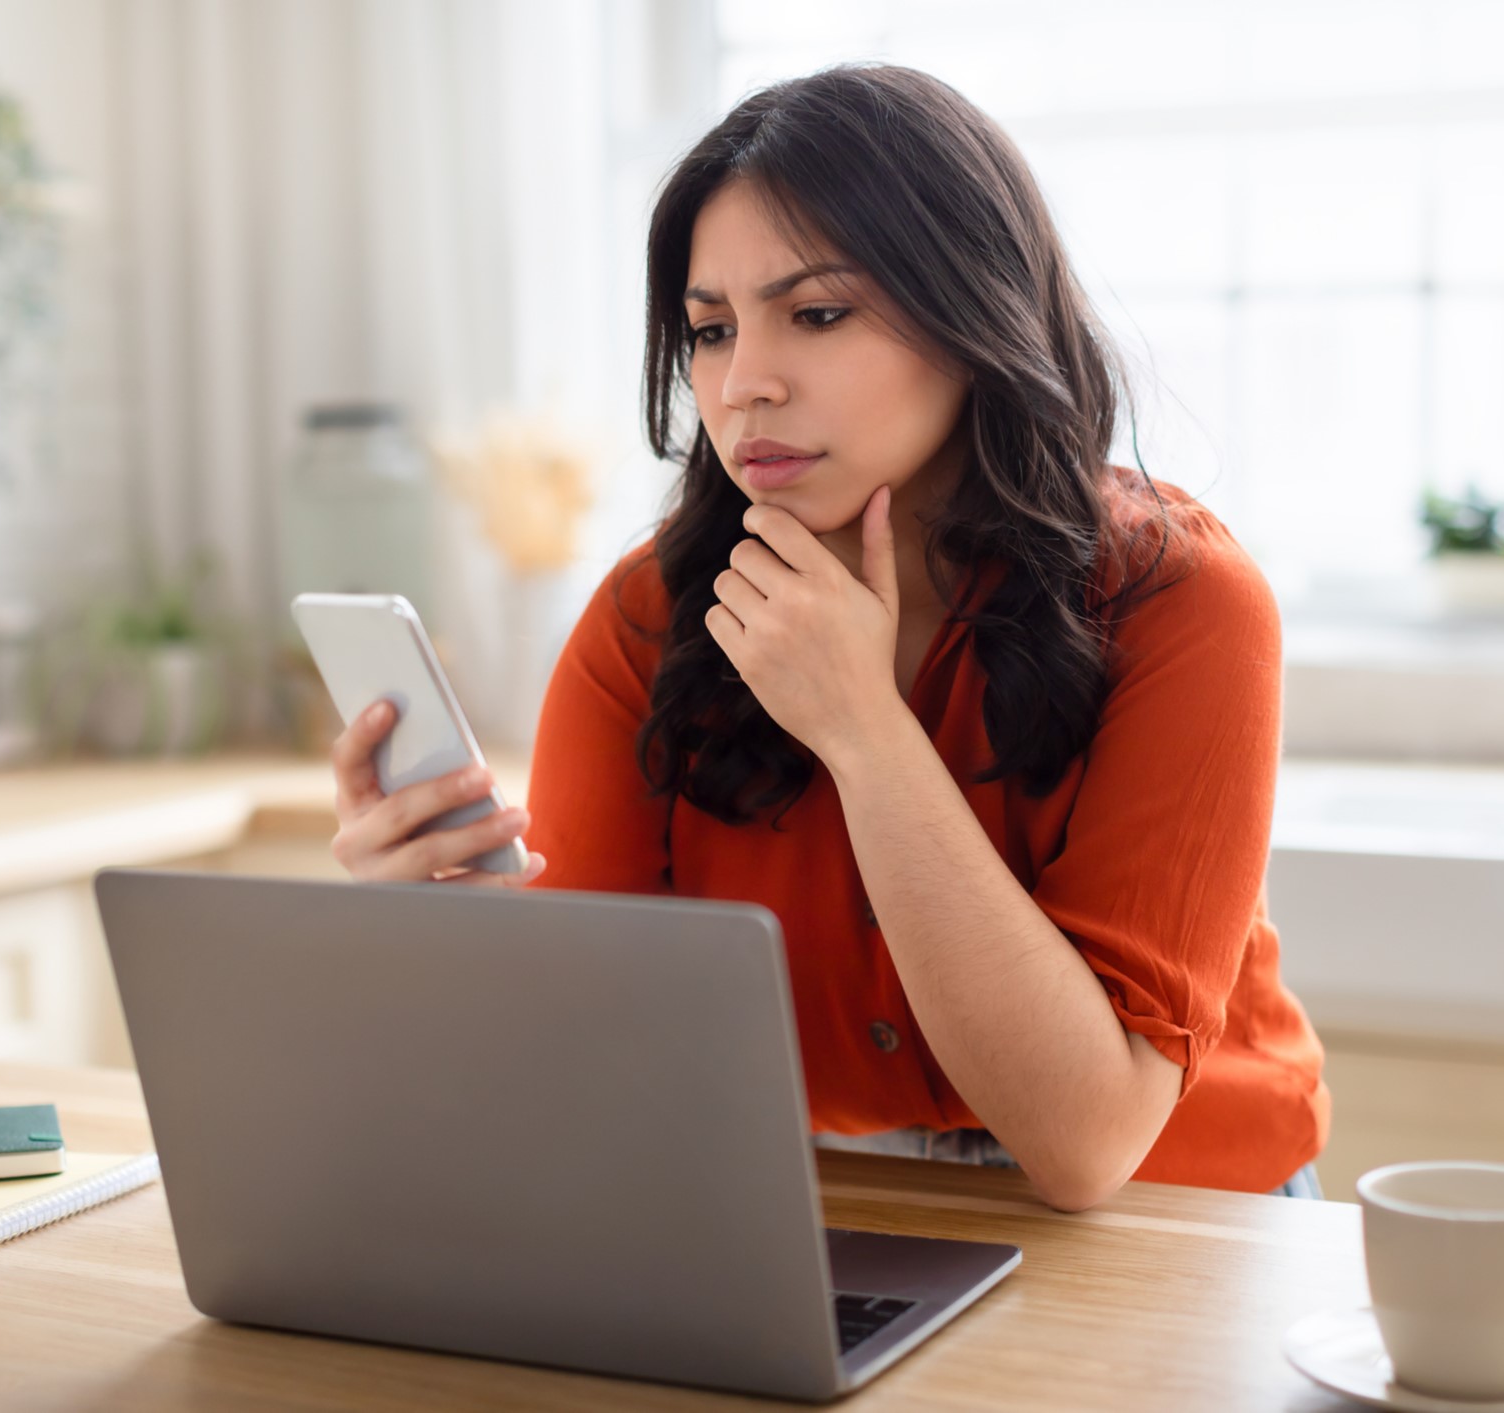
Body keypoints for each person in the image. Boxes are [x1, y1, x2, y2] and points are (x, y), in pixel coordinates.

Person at [328, 64, 1328, 1211]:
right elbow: (598, 1070)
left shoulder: (1180, 602)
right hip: (823, 1198)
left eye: (816, 314)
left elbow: (1086, 1140)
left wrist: (862, 729)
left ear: (974, 314)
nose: (744, 384)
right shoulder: (647, 622)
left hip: (1183, 1214)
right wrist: (442, 936)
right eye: (708, 330)